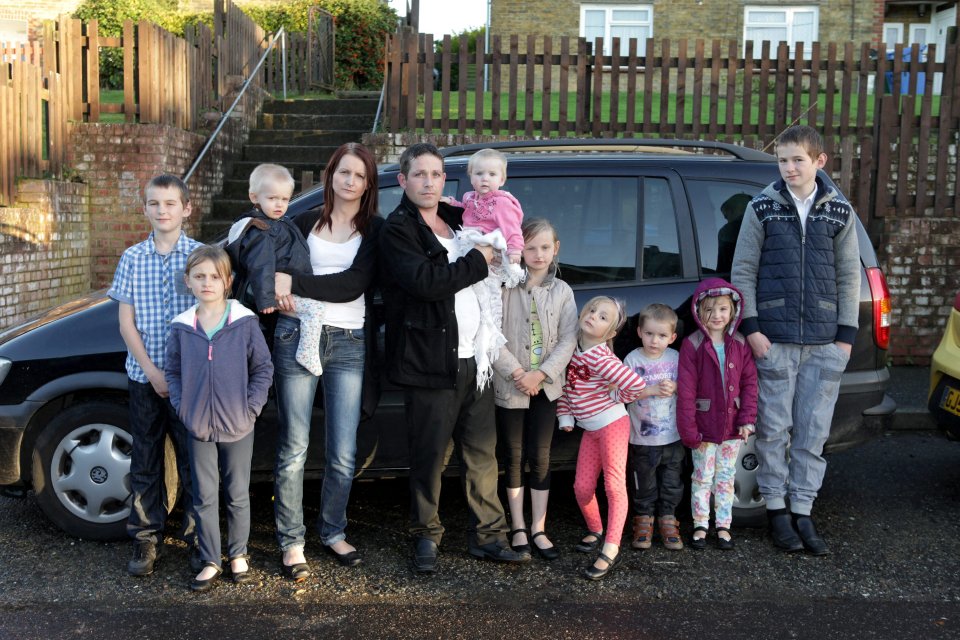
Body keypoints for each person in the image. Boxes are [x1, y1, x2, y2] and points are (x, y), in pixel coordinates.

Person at [379, 142, 529, 574]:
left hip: (476, 358)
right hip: (430, 362)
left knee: (483, 454)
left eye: (437, 174)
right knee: (429, 455)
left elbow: (500, 223)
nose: (429, 181)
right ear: (403, 180)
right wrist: (479, 260)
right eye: (420, 174)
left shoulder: (455, 216)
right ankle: (425, 536)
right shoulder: (398, 229)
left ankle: (489, 536)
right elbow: (426, 282)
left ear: (446, 180)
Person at [731, 125, 860, 556]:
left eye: (797, 160)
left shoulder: (838, 210)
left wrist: (845, 337)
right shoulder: (762, 206)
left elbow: (849, 274)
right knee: (773, 430)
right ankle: (777, 511)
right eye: (782, 160)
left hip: (825, 343)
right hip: (775, 340)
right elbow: (744, 269)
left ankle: (803, 510)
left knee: (812, 433)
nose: (788, 168)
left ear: (819, 162)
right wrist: (752, 328)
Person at [271, 142, 382, 579]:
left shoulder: (374, 230)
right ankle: (291, 541)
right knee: (294, 447)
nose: (350, 181)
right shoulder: (300, 224)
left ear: (368, 183)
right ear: (331, 174)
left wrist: (294, 281)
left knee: (343, 451)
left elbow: (352, 285)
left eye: (359, 175)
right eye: (343, 172)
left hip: (349, 342)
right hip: (297, 335)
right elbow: (264, 264)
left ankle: (333, 530)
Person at [107, 174, 202, 577]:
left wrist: (177, 374)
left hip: (190, 380)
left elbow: (210, 316)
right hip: (144, 378)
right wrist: (151, 371)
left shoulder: (200, 257)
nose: (162, 210)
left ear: (186, 208)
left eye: (169, 203)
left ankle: (200, 537)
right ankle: (146, 536)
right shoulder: (132, 258)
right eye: (154, 203)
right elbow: (126, 323)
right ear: (144, 208)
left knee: (194, 458)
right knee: (145, 458)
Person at [165, 246, 274, 591]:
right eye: (199, 276)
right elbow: (173, 372)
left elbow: (263, 368)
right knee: (204, 495)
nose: (207, 283)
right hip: (198, 426)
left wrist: (251, 409)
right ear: (188, 282)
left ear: (228, 282)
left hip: (238, 425)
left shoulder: (243, 322)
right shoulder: (182, 327)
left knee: (238, 493)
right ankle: (211, 557)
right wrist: (184, 409)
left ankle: (238, 553)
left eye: (214, 276)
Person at [492, 218, 578, 561]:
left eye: (545, 247)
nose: (538, 254)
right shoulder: (503, 286)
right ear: (519, 249)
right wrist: (516, 371)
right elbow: (492, 332)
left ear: (555, 249)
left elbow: (569, 338)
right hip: (510, 384)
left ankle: (539, 527)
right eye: (530, 248)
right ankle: (517, 526)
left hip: (546, 387)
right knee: (513, 457)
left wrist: (540, 374)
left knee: (540, 457)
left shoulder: (563, 291)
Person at [558, 296, 646, 580]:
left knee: (613, 486)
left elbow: (636, 385)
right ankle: (595, 528)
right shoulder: (572, 348)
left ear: (610, 334)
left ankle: (611, 546)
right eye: (592, 310)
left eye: (603, 317)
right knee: (582, 487)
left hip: (612, 425)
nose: (594, 316)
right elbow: (565, 388)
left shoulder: (599, 356)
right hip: (590, 429)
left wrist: (615, 395)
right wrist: (566, 415)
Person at [676, 279, 757, 550]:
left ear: (733, 311)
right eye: (709, 310)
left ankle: (723, 525)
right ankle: (700, 523)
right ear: (699, 312)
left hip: (733, 426)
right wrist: (689, 430)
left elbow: (749, 383)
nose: (716, 316)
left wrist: (747, 419)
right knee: (702, 476)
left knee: (725, 477)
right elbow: (686, 390)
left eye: (723, 309)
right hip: (704, 427)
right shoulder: (693, 344)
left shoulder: (741, 343)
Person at [225, 163, 325, 375]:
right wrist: (266, 298)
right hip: (273, 293)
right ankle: (307, 352)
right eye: (272, 198)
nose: (279, 204)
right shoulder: (261, 230)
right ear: (254, 197)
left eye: (285, 199)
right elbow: (261, 264)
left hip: (286, 287)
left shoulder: (279, 222)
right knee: (316, 310)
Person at [441, 148, 526, 389]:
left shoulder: (502, 203)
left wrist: (515, 253)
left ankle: (485, 346)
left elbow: (512, 231)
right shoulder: (470, 198)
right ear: (470, 176)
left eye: (491, 174)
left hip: (491, 255)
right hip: (472, 251)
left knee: (487, 306)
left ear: (502, 179)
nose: (484, 179)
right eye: (479, 173)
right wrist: (452, 203)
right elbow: (467, 213)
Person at [623, 303, 683, 552]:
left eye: (661, 336)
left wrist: (676, 387)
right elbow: (623, 393)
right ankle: (643, 523)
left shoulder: (675, 358)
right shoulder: (632, 359)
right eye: (649, 334)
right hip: (641, 438)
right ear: (639, 332)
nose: (654, 340)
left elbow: (688, 386)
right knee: (644, 484)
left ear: (672, 337)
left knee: (671, 482)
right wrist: (651, 389)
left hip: (672, 437)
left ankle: (668, 520)